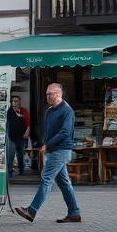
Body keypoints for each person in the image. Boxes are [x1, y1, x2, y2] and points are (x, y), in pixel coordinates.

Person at [14, 83, 80, 224]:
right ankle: (74, 213)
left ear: (58, 93)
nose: (48, 97)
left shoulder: (67, 111)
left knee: (46, 179)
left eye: (50, 94)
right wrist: (44, 143)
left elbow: (65, 132)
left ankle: (31, 210)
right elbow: (47, 130)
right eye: (47, 94)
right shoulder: (49, 111)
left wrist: (47, 144)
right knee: (64, 183)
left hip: (61, 150)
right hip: (54, 150)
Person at [7, 95, 31, 177]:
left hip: (21, 136)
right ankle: (10, 171)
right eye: (14, 101)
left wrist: (27, 133)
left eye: (17, 101)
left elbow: (28, 123)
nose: (15, 102)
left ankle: (21, 170)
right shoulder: (8, 111)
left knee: (20, 154)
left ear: (20, 102)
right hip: (10, 136)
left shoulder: (23, 111)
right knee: (10, 154)